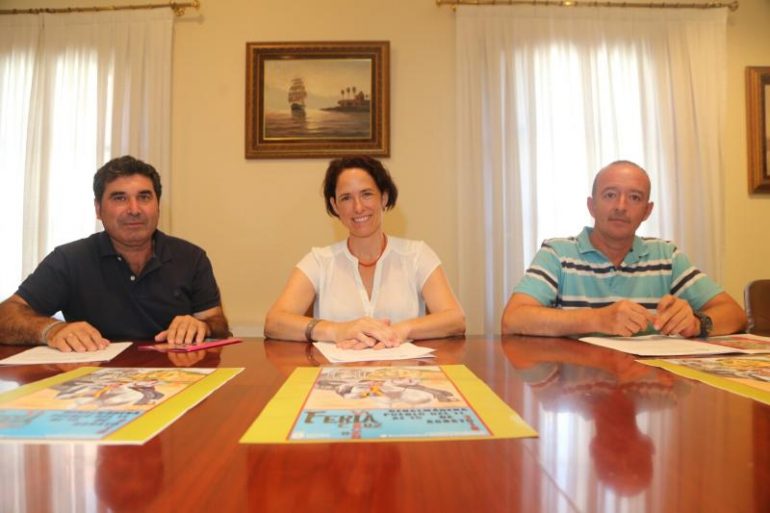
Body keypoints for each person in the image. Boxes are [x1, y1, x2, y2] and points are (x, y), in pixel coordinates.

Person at [0, 155, 230, 352]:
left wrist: (204, 326)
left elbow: (218, 323)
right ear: (98, 209)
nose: (134, 209)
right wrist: (52, 329)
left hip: (176, 379)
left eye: (144, 197)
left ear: (158, 206)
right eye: (119, 198)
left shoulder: (191, 257)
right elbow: (6, 315)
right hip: (92, 384)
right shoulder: (69, 259)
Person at [501, 160, 746, 338]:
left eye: (635, 198)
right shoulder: (558, 253)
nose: (621, 206)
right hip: (575, 386)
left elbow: (734, 314)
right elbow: (513, 319)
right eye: (610, 195)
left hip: (646, 386)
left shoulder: (667, 257)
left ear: (647, 211)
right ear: (591, 205)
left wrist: (697, 323)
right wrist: (598, 319)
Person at [264, 156, 465, 349]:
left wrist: (401, 330)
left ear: (384, 198)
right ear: (335, 206)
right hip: (336, 378)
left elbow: (455, 319)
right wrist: (337, 330)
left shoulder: (417, 255)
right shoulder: (319, 261)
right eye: (346, 198)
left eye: (367, 194)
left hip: (404, 374)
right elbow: (274, 322)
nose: (358, 207)